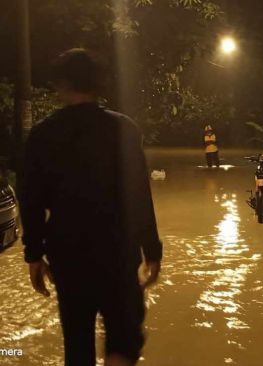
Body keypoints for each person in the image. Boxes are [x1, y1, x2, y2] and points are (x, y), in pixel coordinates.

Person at [19, 49, 162, 366]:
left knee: (77, 341)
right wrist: (152, 250)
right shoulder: (124, 130)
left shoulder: (43, 135)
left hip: (68, 255)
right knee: (124, 340)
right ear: (100, 83)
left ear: (61, 85)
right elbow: (138, 195)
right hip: (118, 251)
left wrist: (33, 255)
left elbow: (30, 201)